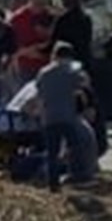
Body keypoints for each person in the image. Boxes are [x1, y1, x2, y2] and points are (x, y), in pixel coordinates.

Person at [49, 0, 106, 157]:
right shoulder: (86, 19)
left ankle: (69, 151)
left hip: (65, 68)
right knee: (87, 106)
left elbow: (54, 44)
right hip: (84, 67)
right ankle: (94, 147)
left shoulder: (62, 21)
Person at [33, 42, 98, 191]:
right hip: (68, 116)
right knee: (76, 147)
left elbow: (40, 96)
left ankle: (53, 184)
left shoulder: (44, 72)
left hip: (50, 116)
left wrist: (40, 114)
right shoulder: (72, 71)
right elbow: (85, 85)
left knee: (52, 152)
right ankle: (78, 176)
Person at [8, 0, 57, 82]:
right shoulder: (17, 19)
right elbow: (11, 49)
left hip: (50, 68)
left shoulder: (53, 17)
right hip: (27, 70)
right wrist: (30, 51)